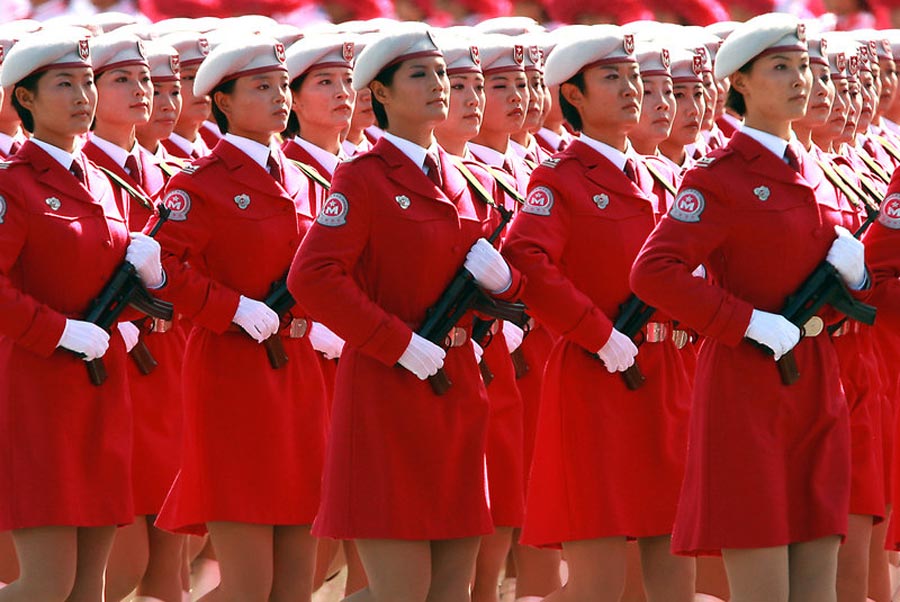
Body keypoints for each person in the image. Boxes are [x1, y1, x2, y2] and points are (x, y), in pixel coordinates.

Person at [287, 24, 524, 602]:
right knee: (402, 589)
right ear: (381, 93)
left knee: (452, 588)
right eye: (420, 74)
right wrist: (396, 342)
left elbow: (516, 285)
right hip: (388, 393)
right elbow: (313, 277)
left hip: (460, 389)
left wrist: (507, 283)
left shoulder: (469, 179)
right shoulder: (363, 176)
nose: (439, 85)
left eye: (441, 73)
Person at [630, 14, 862, 602]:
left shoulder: (820, 173)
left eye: (804, 66)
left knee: (820, 587)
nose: (801, 79)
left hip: (819, 383)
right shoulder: (720, 176)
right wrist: (748, 322)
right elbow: (654, 272)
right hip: (748, 386)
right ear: (740, 82)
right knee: (764, 588)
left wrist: (856, 281)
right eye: (781, 67)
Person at [501, 25, 695, 602]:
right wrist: (597, 333)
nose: (632, 88)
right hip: (598, 378)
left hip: (667, 377)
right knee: (598, 585)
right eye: (612, 77)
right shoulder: (560, 176)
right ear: (573, 95)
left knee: (674, 575)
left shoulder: (663, 177)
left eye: (634, 76)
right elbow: (527, 259)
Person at [151, 35, 328, 602]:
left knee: (296, 585)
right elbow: (160, 266)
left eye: (282, 85)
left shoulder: (301, 177)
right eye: (261, 87)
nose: (279, 97)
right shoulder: (201, 182)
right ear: (222, 102)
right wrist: (231, 308)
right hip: (233, 373)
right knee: (250, 585)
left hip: (299, 372)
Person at [0, 27, 164, 601]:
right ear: (25, 97)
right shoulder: (13, 183)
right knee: (46, 585)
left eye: (87, 82)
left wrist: (150, 281)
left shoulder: (101, 181)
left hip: (101, 392)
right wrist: (58, 331)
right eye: (64, 84)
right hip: (38, 395)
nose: (81, 96)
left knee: (89, 588)